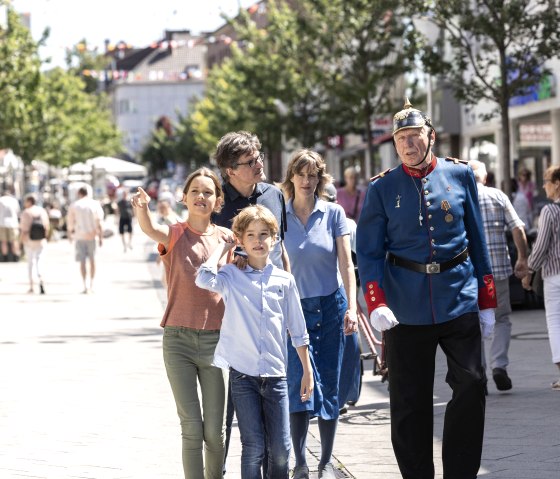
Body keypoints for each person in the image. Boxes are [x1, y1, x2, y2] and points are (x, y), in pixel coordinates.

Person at [356, 99, 497, 479]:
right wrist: (376, 301)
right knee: (409, 402)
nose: (407, 144)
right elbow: (368, 252)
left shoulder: (460, 175)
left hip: (458, 297)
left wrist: (486, 301)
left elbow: (477, 240)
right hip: (405, 306)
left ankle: (461, 472)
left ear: (430, 137)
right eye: (400, 138)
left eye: (414, 135)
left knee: (472, 383)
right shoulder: (382, 189)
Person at [195, 205, 313, 479]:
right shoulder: (231, 277)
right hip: (243, 376)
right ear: (241, 240)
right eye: (251, 235)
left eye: (264, 234)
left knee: (281, 449)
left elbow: (297, 329)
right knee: (254, 447)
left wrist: (307, 370)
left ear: (274, 238)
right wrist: (222, 249)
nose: (258, 241)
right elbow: (203, 278)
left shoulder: (285, 280)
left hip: (276, 376)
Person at [131, 167, 231, 479]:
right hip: (178, 342)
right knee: (191, 427)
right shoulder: (175, 234)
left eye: (208, 192)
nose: (202, 196)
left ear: (217, 201)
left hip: (217, 342)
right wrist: (141, 208)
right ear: (184, 197)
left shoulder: (227, 239)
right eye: (196, 191)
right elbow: (150, 229)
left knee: (215, 433)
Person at [211, 130, 290, 473]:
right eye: (250, 161)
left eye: (258, 157)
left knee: (270, 425)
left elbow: (281, 250)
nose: (259, 164)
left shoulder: (273, 195)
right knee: (221, 419)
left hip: (266, 318)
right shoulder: (214, 203)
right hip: (224, 319)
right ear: (230, 170)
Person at [281, 149, 358, 479]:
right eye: (301, 174)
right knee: (299, 386)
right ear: (292, 178)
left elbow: (346, 264)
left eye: (313, 175)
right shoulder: (279, 216)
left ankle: (326, 462)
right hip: (294, 311)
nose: (307, 180)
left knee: (328, 385)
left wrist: (353, 307)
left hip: (330, 309)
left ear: (320, 178)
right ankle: (300, 462)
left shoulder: (333, 213)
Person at [469, 160, 529, 392]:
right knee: (501, 318)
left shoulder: (460, 198)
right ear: (484, 177)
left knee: (472, 324)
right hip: (498, 273)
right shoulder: (498, 196)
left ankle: (479, 375)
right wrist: (522, 258)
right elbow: (517, 228)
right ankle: (499, 366)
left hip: (470, 274)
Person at [522, 165, 560, 390]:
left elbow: (541, 246)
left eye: (546, 181)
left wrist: (529, 271)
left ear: (557, 184)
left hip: (555, 275)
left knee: (555, 323)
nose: (543, 185)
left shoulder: (550, 211)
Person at [66, 186, 104, 294]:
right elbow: (99, 221)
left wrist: (69, 234)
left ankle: (85, 285)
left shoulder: (75, 205)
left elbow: (70, 222)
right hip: (92, 235)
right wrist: (101, 236)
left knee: (82, 261)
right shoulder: (95, 204)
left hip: (79, 236)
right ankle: (91, 284)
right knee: (93, 260)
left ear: (79, 193)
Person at [19, 195, 50, 294]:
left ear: (29, 201)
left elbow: (23, 230)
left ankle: (32, 286)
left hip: (29, 241)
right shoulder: (42, 211)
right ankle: (41, 280)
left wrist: (20, 242)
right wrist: (45, 237)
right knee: (39, 261)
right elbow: (47, 226)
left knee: (30, 263)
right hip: (41, 241)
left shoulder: (26, 212)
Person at [0, 185, 21, 261]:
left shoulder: (1, 200)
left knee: (3, 241)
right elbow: (18, 212)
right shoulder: (14, 200)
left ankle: (5, 257)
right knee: (14, 240)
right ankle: (16, 257)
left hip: (2, 223)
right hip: (13, 223)